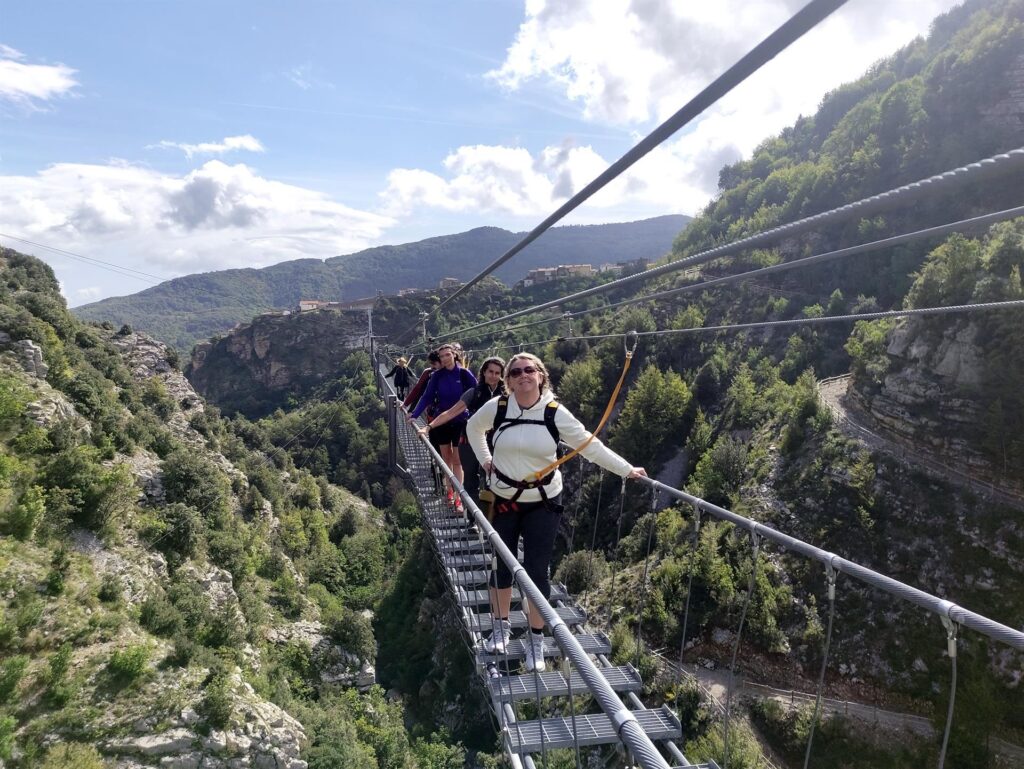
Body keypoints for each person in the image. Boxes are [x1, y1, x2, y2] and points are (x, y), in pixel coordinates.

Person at [466, 352, 646, 672]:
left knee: (537, 571)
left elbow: (590, 446)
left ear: (541, 376)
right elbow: (472, 428)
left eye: (529, 370)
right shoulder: (498, 408)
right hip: (503, 498)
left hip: (543, 501)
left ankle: (536, 639)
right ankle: (501, 627)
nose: (523, 375)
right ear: (507, 381)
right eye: (516, 371)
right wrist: (484, 460)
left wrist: (626, 470)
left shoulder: (554, 413)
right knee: (500, 567)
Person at [419, 356, 505, 521]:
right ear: (484, 373)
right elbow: (451, 412)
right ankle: (474, 520)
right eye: (490, 372)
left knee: (490, 483)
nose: (493, 376)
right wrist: (429, 426)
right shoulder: (474, 393)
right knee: (471, 481)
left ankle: (487, 520)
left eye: (497, 373)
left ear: (502, 375)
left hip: (495, 444)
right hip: (471, 443)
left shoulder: (508, 396)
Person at [409, 344, 478, 510]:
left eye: (448, 355)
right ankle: (449, 492)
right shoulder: (437, 376)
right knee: (446, 459)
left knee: (457, 460)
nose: (445, 359)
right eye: (442, 357)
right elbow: (426, 397)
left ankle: (458, 497)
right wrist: (414, 415)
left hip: (461, 421)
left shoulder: (464, 374)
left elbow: (478, 392)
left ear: (454, 355)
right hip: (442, 422)